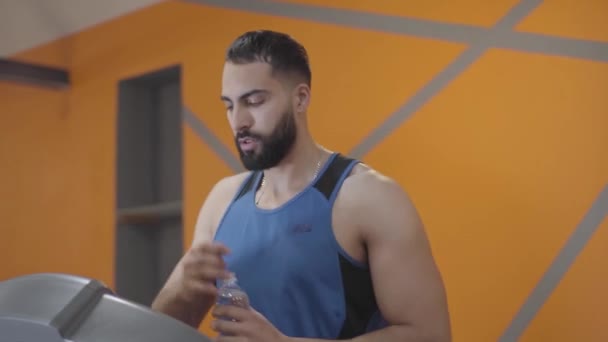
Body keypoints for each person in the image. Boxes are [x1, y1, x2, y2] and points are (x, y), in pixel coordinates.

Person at [151, 29, 452, 342]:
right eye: (229, 105)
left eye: (254, 101)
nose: (239, 121)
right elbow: (159, 331)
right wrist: (181, 288)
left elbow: (431, 335)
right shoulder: (222, 201)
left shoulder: (369, 198)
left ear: (300, 98)